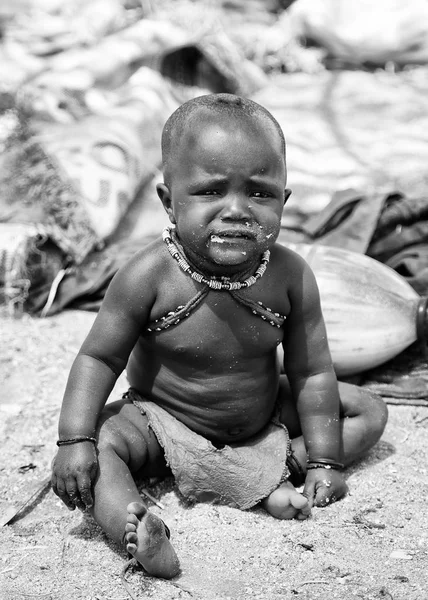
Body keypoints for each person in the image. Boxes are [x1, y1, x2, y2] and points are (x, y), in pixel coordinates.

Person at [51, 93, 388, 579]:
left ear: (284, 201)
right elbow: (99, 360)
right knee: (103, 442)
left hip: (261, 418)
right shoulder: (147, 276)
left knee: (367, 410)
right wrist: (74, 438)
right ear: (170, 202)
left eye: (260, 193)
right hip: (164, 422)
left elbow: (312, 371)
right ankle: (139, 531)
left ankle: (271, 469)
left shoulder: (290, 275)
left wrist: (326, 460)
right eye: (210, 192)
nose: (237, 210)